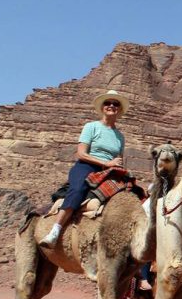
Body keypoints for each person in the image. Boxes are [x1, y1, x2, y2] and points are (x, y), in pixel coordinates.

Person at [39, 89, 129, 248]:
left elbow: (119, 159)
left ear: (119, 109)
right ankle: (56, 229)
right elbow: (81, 153)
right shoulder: (91, 127)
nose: (111, 106)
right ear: (102, 107)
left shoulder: (120, 136)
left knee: (131, 195)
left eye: (115, 104)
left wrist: (116, 167)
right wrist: (106, 163)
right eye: (108, 103)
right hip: (87, 165)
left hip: (109, 171)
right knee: (78, 189)